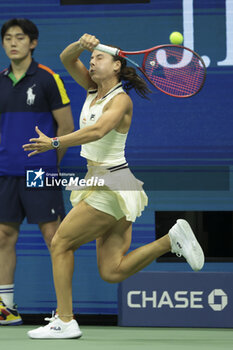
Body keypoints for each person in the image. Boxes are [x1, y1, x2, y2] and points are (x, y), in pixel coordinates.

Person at [23, 34, 205, 339]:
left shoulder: (121, 100)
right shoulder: (92, 89)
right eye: (92, 59)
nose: (92, 62)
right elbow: (67, 59)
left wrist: (55, 142)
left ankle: (64, 320)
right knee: (112, 271)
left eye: (99, 58)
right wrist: (83, 46)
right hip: (103, 182)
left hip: (111, 183)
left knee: (60, 243)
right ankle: (169, 240)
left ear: (117, 66)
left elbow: (97, 131)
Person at [0, 18, 74, 325]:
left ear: (33, 43)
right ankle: (6, 309)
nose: (13, 43)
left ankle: (64, 312)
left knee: (55, 237)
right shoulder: (0, 80)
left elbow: (67, 128)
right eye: (7, 38)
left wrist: (48, 165)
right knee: (3, 236)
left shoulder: (48, 79)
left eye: (20, 38)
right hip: (5, 173)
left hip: (40, 172)